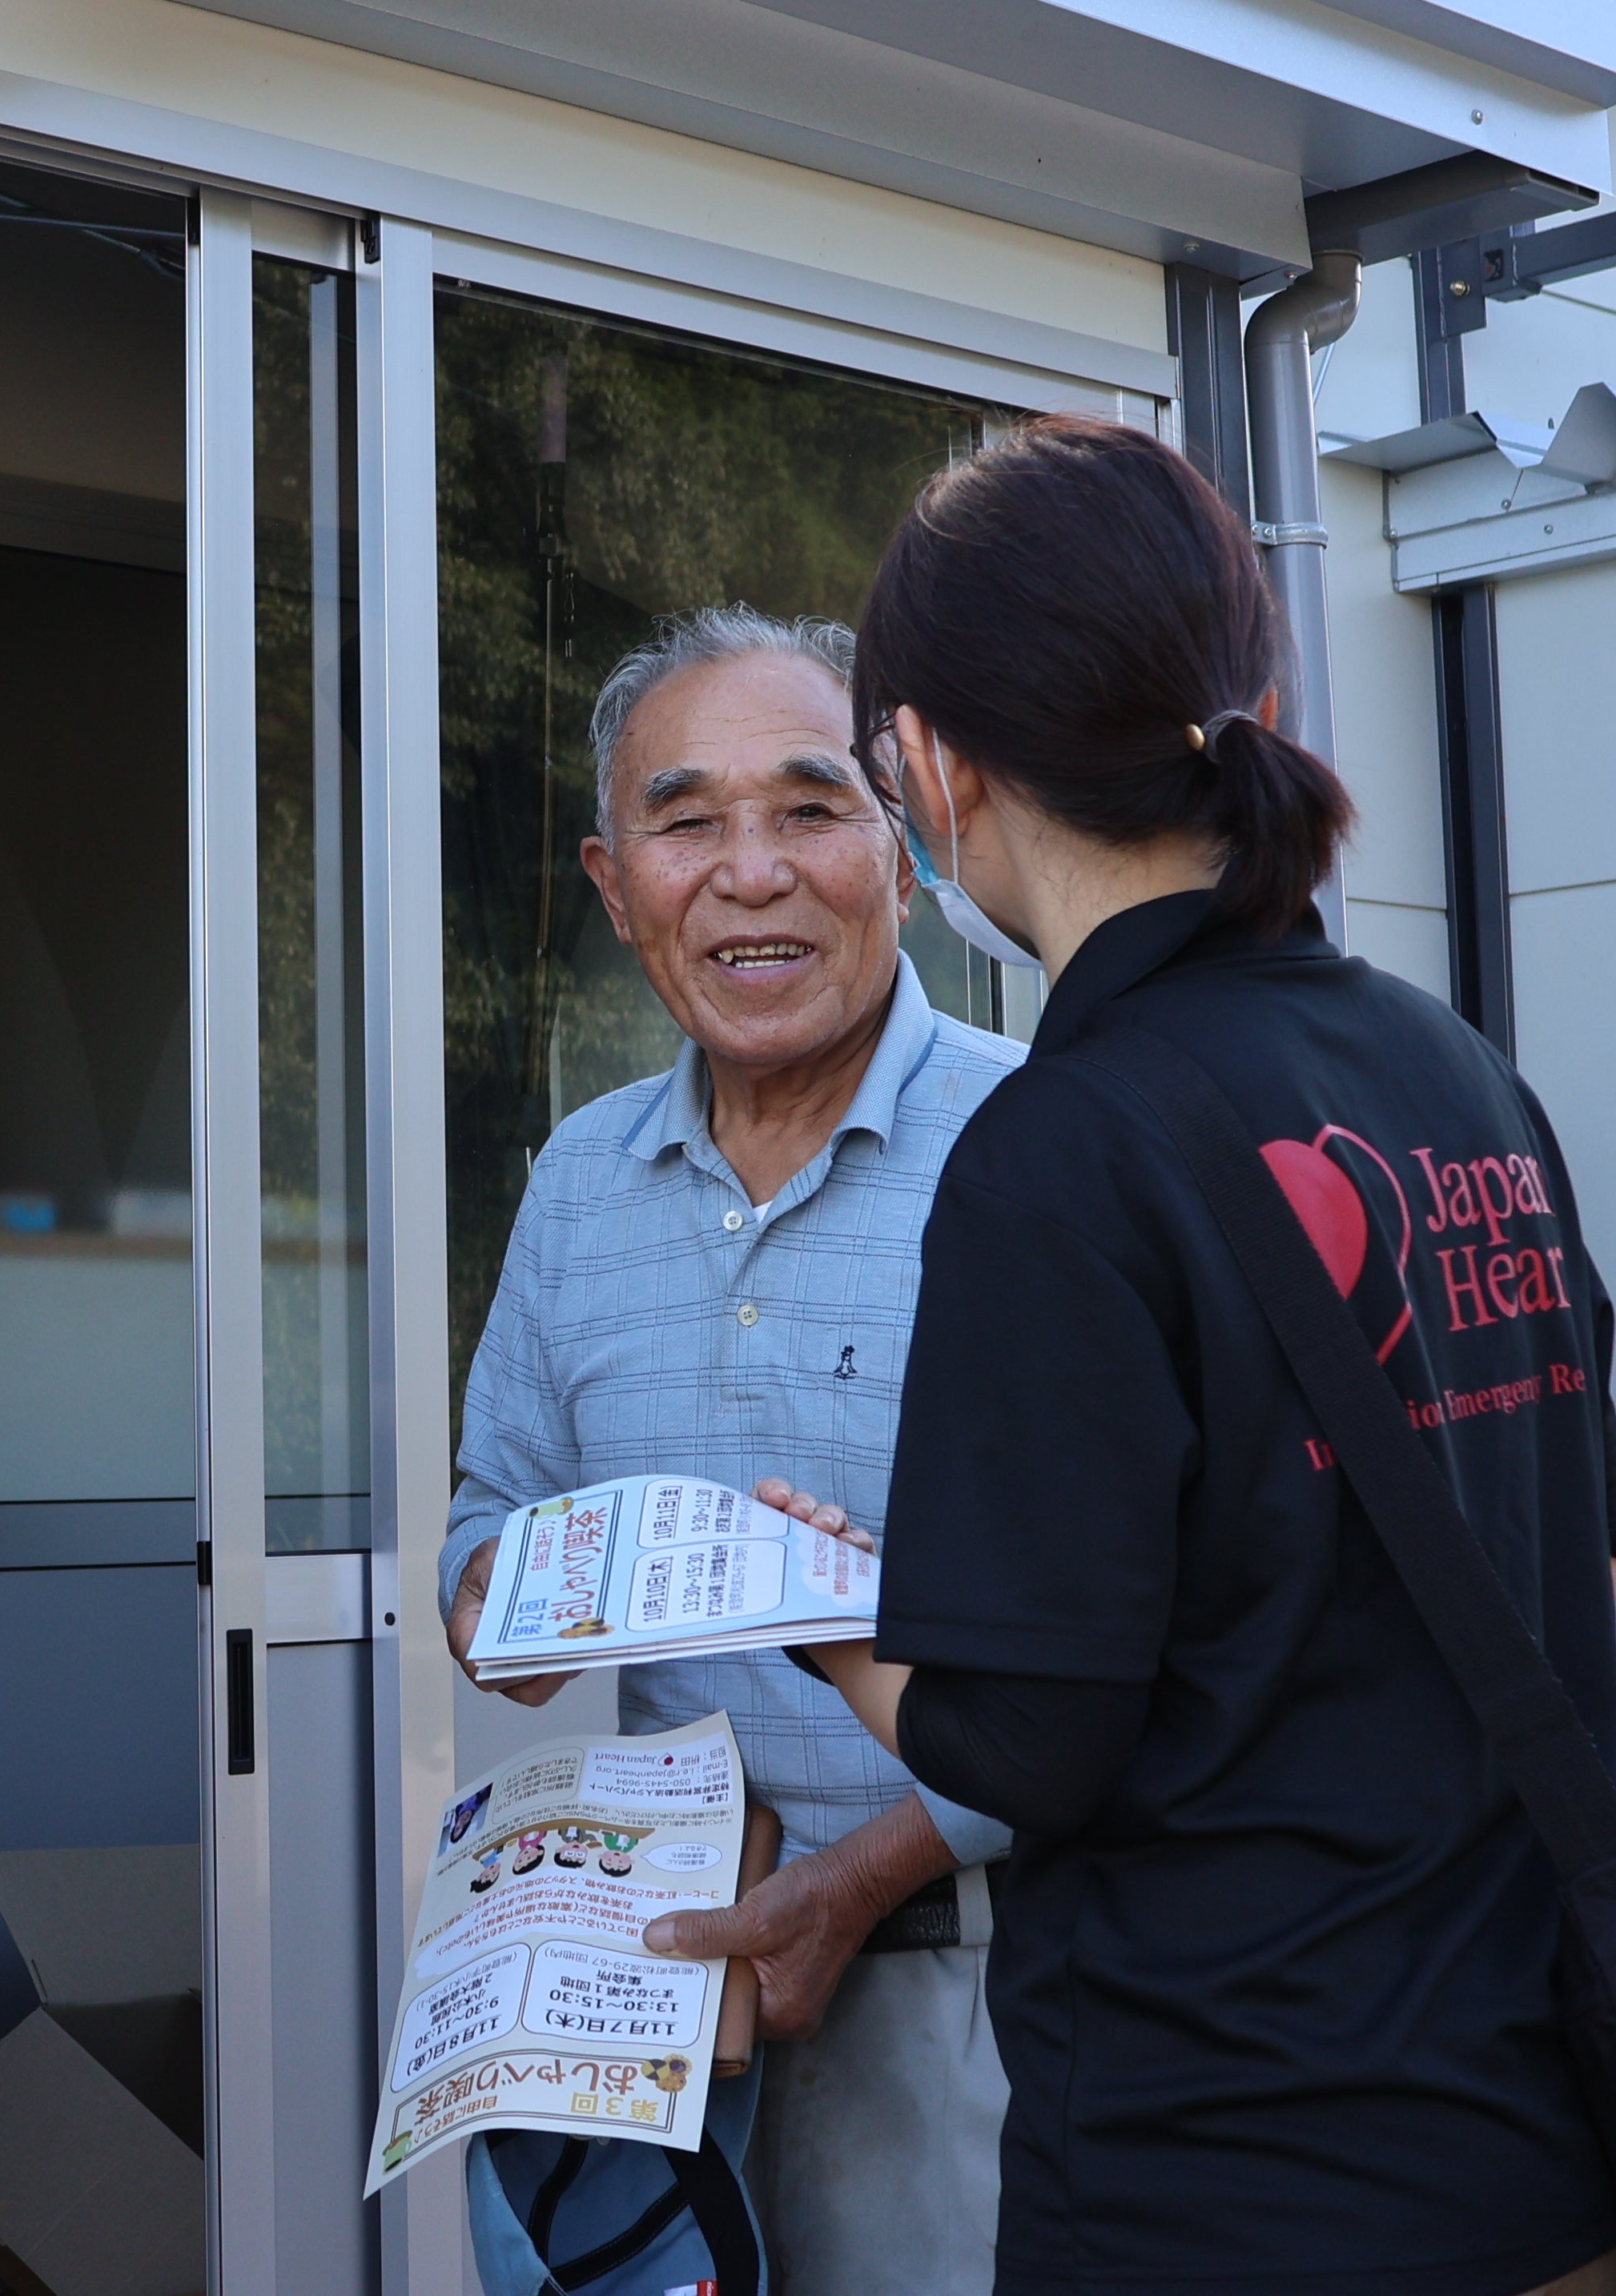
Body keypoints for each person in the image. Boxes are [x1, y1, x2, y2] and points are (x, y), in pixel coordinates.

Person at [787, 416, 1616, 2296]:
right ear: (1239, 700)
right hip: (1556, 2158)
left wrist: (822, 1618)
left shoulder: (1058, 1151)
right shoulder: (1455, 1070)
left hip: (1232, 2190)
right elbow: (1582, 1533)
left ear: (928, 767)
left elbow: (1034, 1743)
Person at [440, 604, 1031, 2296]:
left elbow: (1138, 1622)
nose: (751, 872)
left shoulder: (1038, 1149)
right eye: (687, 821)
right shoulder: (577, 1180)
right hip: (647, 2002)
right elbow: (493, 1520)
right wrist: (505, 1601)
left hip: (976, 1985)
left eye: (811, 807)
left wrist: (863, 1874)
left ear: (902, 851)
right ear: (615, 884)